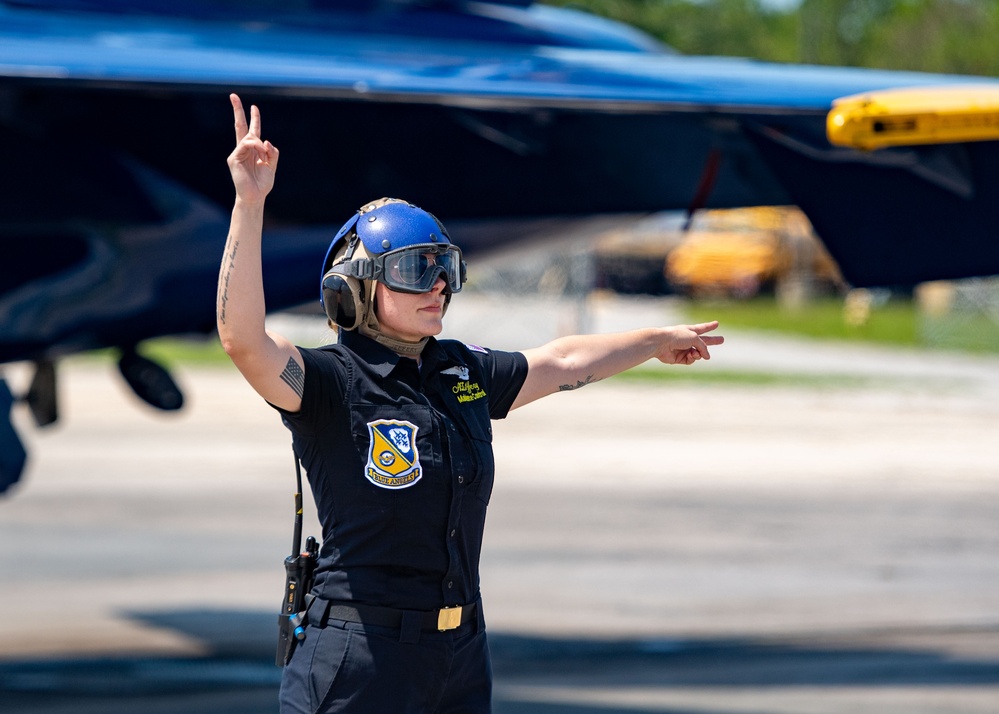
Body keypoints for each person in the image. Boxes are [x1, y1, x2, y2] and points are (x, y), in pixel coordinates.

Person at [218, 93, 724, 714]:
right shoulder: (327, 382)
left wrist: (654, 340)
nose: (436, 285)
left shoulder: (459, 370)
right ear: (355, 290)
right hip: (358, 656)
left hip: (458, 653)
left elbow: (561, 362)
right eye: (413, 269)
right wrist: (250, 200)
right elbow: (243, 339)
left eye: (444, 268)